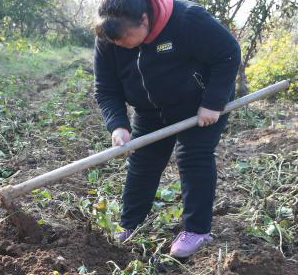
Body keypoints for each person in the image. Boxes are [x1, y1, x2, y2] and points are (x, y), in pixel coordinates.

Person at [93, 0, 241, 257]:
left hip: (200, 106)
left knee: (193, 157)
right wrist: (117, 124)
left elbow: (228, 53)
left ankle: (197, 231)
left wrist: (213, 103)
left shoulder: (187, 20)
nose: (121, 44)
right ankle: (130, 225)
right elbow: (106, 88)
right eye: (115, 41)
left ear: (144, 20)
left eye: (126, 38)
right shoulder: (110, 36)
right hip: (150, 109)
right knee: (143, 161)